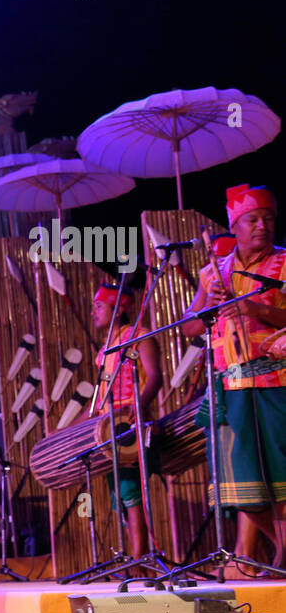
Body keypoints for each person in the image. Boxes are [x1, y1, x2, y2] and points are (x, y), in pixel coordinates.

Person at [181, 184, 286, 577]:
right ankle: (281, 550)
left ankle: (277, 558)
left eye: (269, 219)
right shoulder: (215, 272)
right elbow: (190, 327)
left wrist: (253, 307)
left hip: (276, 382)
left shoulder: (283, 264)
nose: (263, 226)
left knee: (278, 475)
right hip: (229, 387)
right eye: (253, 220)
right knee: (239, 483)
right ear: (235, 225)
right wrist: (209, 301)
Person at [91, 283, 161, 560]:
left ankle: (138, 558)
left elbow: (155, 376)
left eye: (99, 306)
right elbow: (98, 397)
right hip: (106, 428)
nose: (94, 312)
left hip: (129, 425)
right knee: (120, 494)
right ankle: (133, 557)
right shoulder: (105, 350)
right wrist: (72, 428)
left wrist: (138, 406)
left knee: (131, 491)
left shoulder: (140, 337)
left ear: (118, 309)